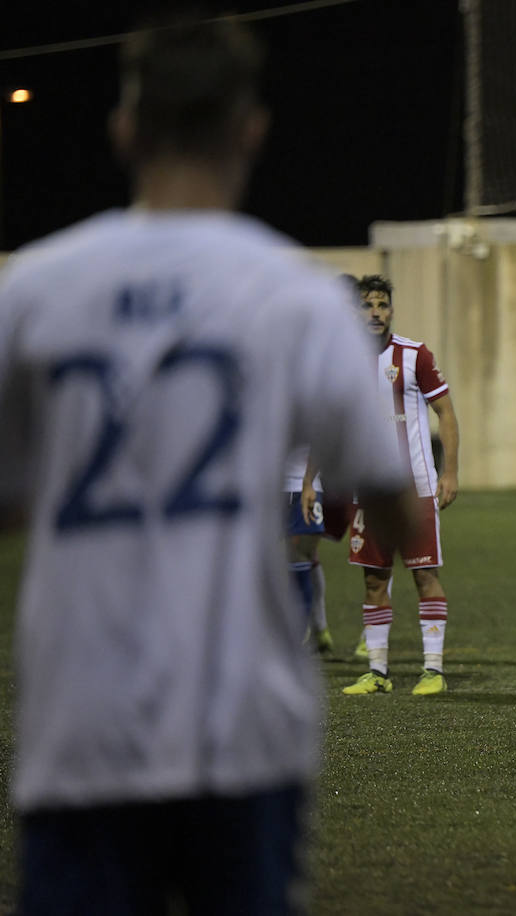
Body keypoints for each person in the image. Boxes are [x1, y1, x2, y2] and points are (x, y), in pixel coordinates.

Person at [0, 17, 409, 914]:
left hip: (83, 725)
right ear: (251, 130)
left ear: (124, 127)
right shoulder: (297, 296)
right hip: (241, 727)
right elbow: (392, 502)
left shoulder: (34, 289)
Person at [341, 273, 461, 697]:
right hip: (365, 493)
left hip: (415, 489)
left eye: (382, 305)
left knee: (424, 574)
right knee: (374, 580)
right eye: (367, 305)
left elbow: (445, 412)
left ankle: (434, 669)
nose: (375, 312)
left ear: (391, 310)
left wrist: (449, 472)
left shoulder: (414, 355)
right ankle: (377, 671)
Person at [283, 272, 360, 654]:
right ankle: (317, 628)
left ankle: (312, 630)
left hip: (308, 475)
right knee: (295, 553)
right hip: (277, 477)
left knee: (302, 550)